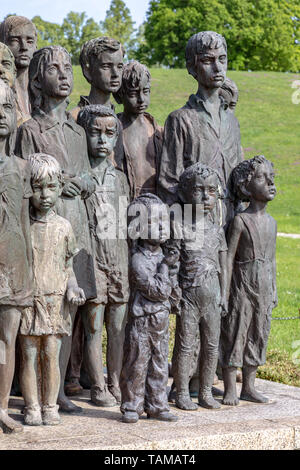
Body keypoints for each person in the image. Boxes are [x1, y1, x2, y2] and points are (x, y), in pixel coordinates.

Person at [15, 45, 96, 413]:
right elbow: (23, 178)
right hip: (43, 234)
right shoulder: (29, 130)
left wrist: (84, 181)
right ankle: (37, 393)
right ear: (36, 80)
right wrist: (59, 182)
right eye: (54, 70)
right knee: (37, 321)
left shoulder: (79, 132)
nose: (64, 75)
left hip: (76, 229)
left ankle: (59, 390)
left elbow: (93, 177)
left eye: (68, 69)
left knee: (70, 318)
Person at [19, 154, 85, 426]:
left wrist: (74, 287)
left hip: (56, 301)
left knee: (52, 355)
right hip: (28, 300)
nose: (45, 195)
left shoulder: (64, 227)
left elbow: (68, 265)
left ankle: (50, 405)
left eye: (51, 187)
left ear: (60, 187)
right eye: (38, 187)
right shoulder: (24, 226)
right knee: (29, 356)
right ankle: (32, 406)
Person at [157, 31, 243, 226]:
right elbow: (169, 183)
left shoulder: (231, 120)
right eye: (208, 60)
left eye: (222, 59)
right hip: (196, 224)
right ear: (192, 66)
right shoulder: (180, 119)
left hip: (230, 220)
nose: (218, 67)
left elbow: (239, 175)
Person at [77, 105, 129, 406]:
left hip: (118, 259)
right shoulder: (81, 177)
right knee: (93, 326)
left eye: (110, 134)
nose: (102, 140)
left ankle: (115, 382)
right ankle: (97, 385)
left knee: (118, 328)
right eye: (95, 133)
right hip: (92, 257)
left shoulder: (119, 179)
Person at [220, 156, 277, 406]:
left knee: (258, 332)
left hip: (264, 286)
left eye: (272, 177)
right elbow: (229, 257)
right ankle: (230, 387)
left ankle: (250, 387)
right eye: (263, 178)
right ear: (246, 186)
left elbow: (273, 259)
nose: (271, 182)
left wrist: (273, 289)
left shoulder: (272, 223)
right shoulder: (241, 221)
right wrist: (225, 293)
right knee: (236, 331)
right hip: (242, 286)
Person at [173, 163, 227, 410]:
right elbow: (172, 264)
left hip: (213, 296)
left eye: (212, 191)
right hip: (189, 297)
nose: (206, 197)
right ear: (184, 193)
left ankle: (206, 392)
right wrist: (175, 294)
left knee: (211, 344)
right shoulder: (180, 227)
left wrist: (224, 295)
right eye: (198, 190)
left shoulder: (217, 230)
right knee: (185, 344)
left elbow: (223, 266)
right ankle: (182, 392)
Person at [120, 193, 179, 423]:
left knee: (159, 362)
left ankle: (157, 404)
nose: (163, 227)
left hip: (161, 321)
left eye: (164, 221)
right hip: (142, 321)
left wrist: (171, 272)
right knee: (137, 362)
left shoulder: (165, 257)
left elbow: (172, 291)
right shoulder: (138, 261)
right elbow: (158, 291)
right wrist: (165, 268)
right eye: (155, 222)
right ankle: (132, 405)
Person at [0, 80, 33, 433]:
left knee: (7, 340)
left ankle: (2, 406)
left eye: (6, 107)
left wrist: (31, 272)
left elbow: (24, 223)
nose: (0, 114)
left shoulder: (21, 168)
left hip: (14, 265)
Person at [114, 60, 163, 199]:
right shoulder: (114, 130)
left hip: (155, 203)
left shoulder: (158, 132)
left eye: (145, 91)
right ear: (119, 95)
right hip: (126, 200)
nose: (141, 99)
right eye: (133, 93)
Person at [0, 16, 37, 126]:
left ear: (36, 46)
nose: (24, 47)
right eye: (15, 40)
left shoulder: (43, 91)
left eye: (30, 41)